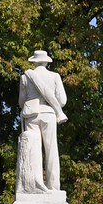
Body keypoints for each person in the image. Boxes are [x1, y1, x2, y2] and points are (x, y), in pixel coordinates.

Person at [17, 49, 67, 193]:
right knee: (51, 150)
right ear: (46, 61)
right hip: (49, 113)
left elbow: (21, 102)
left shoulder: (25, 77)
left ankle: (36, 185)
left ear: (34, 61)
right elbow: (62, 101)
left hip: (31, 114)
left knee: (34, 150)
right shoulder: (54, 76)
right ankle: (53, 187)